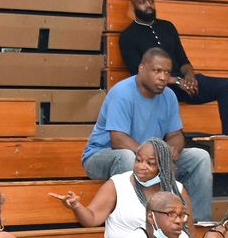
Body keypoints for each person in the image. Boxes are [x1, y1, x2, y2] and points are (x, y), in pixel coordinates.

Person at [82, 47, 213, 222]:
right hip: (102, 156)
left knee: (200, 157)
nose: (163, 77)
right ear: (141, 69)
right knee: (128, 158)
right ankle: (140, 223)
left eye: (167, 72)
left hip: (150, 158)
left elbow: (176, 134)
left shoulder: (169, 96)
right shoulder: (122, 93)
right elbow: (118, 139)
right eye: (157, 71)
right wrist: (155, 157)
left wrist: (172, 149)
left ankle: (196, 224)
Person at [118, 0, 228, 137]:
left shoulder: (168, 27)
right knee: (163, 97)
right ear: (133, 6)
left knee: (225, 85)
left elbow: (183, 60)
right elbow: (139, 73)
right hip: (158, 88)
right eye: (142, 2)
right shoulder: (127, 36)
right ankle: (176, 141)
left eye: (151, 1)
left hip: (184, 83)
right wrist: (176, 81)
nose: (148, 5)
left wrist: (190, 76)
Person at [52, 137, 190, 238]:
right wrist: (76, 206)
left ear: (163, 167)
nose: (142, 166)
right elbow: (91, 219)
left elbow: (189, 234)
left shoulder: (177, 190)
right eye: (138, 160)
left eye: (150, 163)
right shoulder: (117, 184)